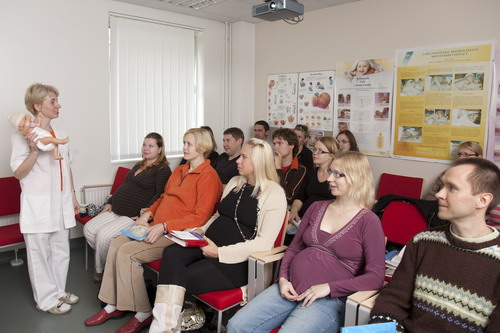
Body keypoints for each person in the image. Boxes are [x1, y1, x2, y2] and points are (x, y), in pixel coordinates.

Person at [227, 151, 386, 333]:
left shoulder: (368, 221)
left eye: (338, 174)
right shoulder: (317, 207)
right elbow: (294, 249)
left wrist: (329, 288)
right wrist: (283, 279)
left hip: (327, 300)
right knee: (236, 325)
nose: (329, 179)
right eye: (330, 172)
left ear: (357, 178)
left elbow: (375, 277)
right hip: (290, 287)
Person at [84, 128, 222, 333]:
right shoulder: (180, 170)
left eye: (188, 144)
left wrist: (165, 226)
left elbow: (199, 217)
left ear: (202, 148)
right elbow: (162, 198)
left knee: (127, 253)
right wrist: (147, 214)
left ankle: (143, 312)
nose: (183, 147)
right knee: (115, 243)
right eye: (184, 142)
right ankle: (112, 304)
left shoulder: (209, 177)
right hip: (155, 224)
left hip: (175, 234)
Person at [148, 139, 287, 332]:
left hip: (235, 261)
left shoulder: (274, 193)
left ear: (258, 162)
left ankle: (162, 327)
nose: (238, 160)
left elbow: (264, 243)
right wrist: (202, 230)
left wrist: (219, 253)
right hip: (207, 243)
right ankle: (164, 327)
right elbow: (219, 215)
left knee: (183, 277)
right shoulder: (235, 181)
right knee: (171, 253)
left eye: (244, 157)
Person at [369, 158, 500, 332]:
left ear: (482, 200)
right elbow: (394, 298)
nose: (439, 194)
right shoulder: (423, 241)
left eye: (452, 188)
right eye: (442, 186)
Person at [10, 83, 80, 314]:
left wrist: (73, 196)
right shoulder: (22, 136)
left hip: (60, 203)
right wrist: (34, 151)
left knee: (61, 250)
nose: (58, 105)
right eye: (53, 101)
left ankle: (59, 291)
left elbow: (66, 168)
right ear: (37, 106)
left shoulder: (60, 134)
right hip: (38, 205)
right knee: (39, 254)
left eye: (57, 100)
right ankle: (46, 300)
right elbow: (19, 173)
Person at [83, 133, 171, 282]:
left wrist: (145, 213)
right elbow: (125, 186)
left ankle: (101, 272)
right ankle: (111, 261)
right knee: (89, 230)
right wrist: (110, 202)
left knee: (103, 236)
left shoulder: (162, 170)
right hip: (115, 208)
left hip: (132, 215)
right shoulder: (139, 164)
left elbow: (160, 195)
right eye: (144, 144)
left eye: (151, 146)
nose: (146, 148)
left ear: (160, 149)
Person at [289, 137, 339, 224]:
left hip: (325, 221)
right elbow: (301, 196)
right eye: (315, 149)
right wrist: (294, 210)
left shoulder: (337, 177)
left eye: (321, 151)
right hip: (303, 218)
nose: (315, 153)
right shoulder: (311, 173)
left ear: (332, 155)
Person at [272, 128, 307, 205]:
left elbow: (288, 198)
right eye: (274, 144)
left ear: (291, 145)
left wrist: (278, 169)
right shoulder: (269, 164)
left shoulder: (300, 169)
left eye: (280, 143)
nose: (275, 147)